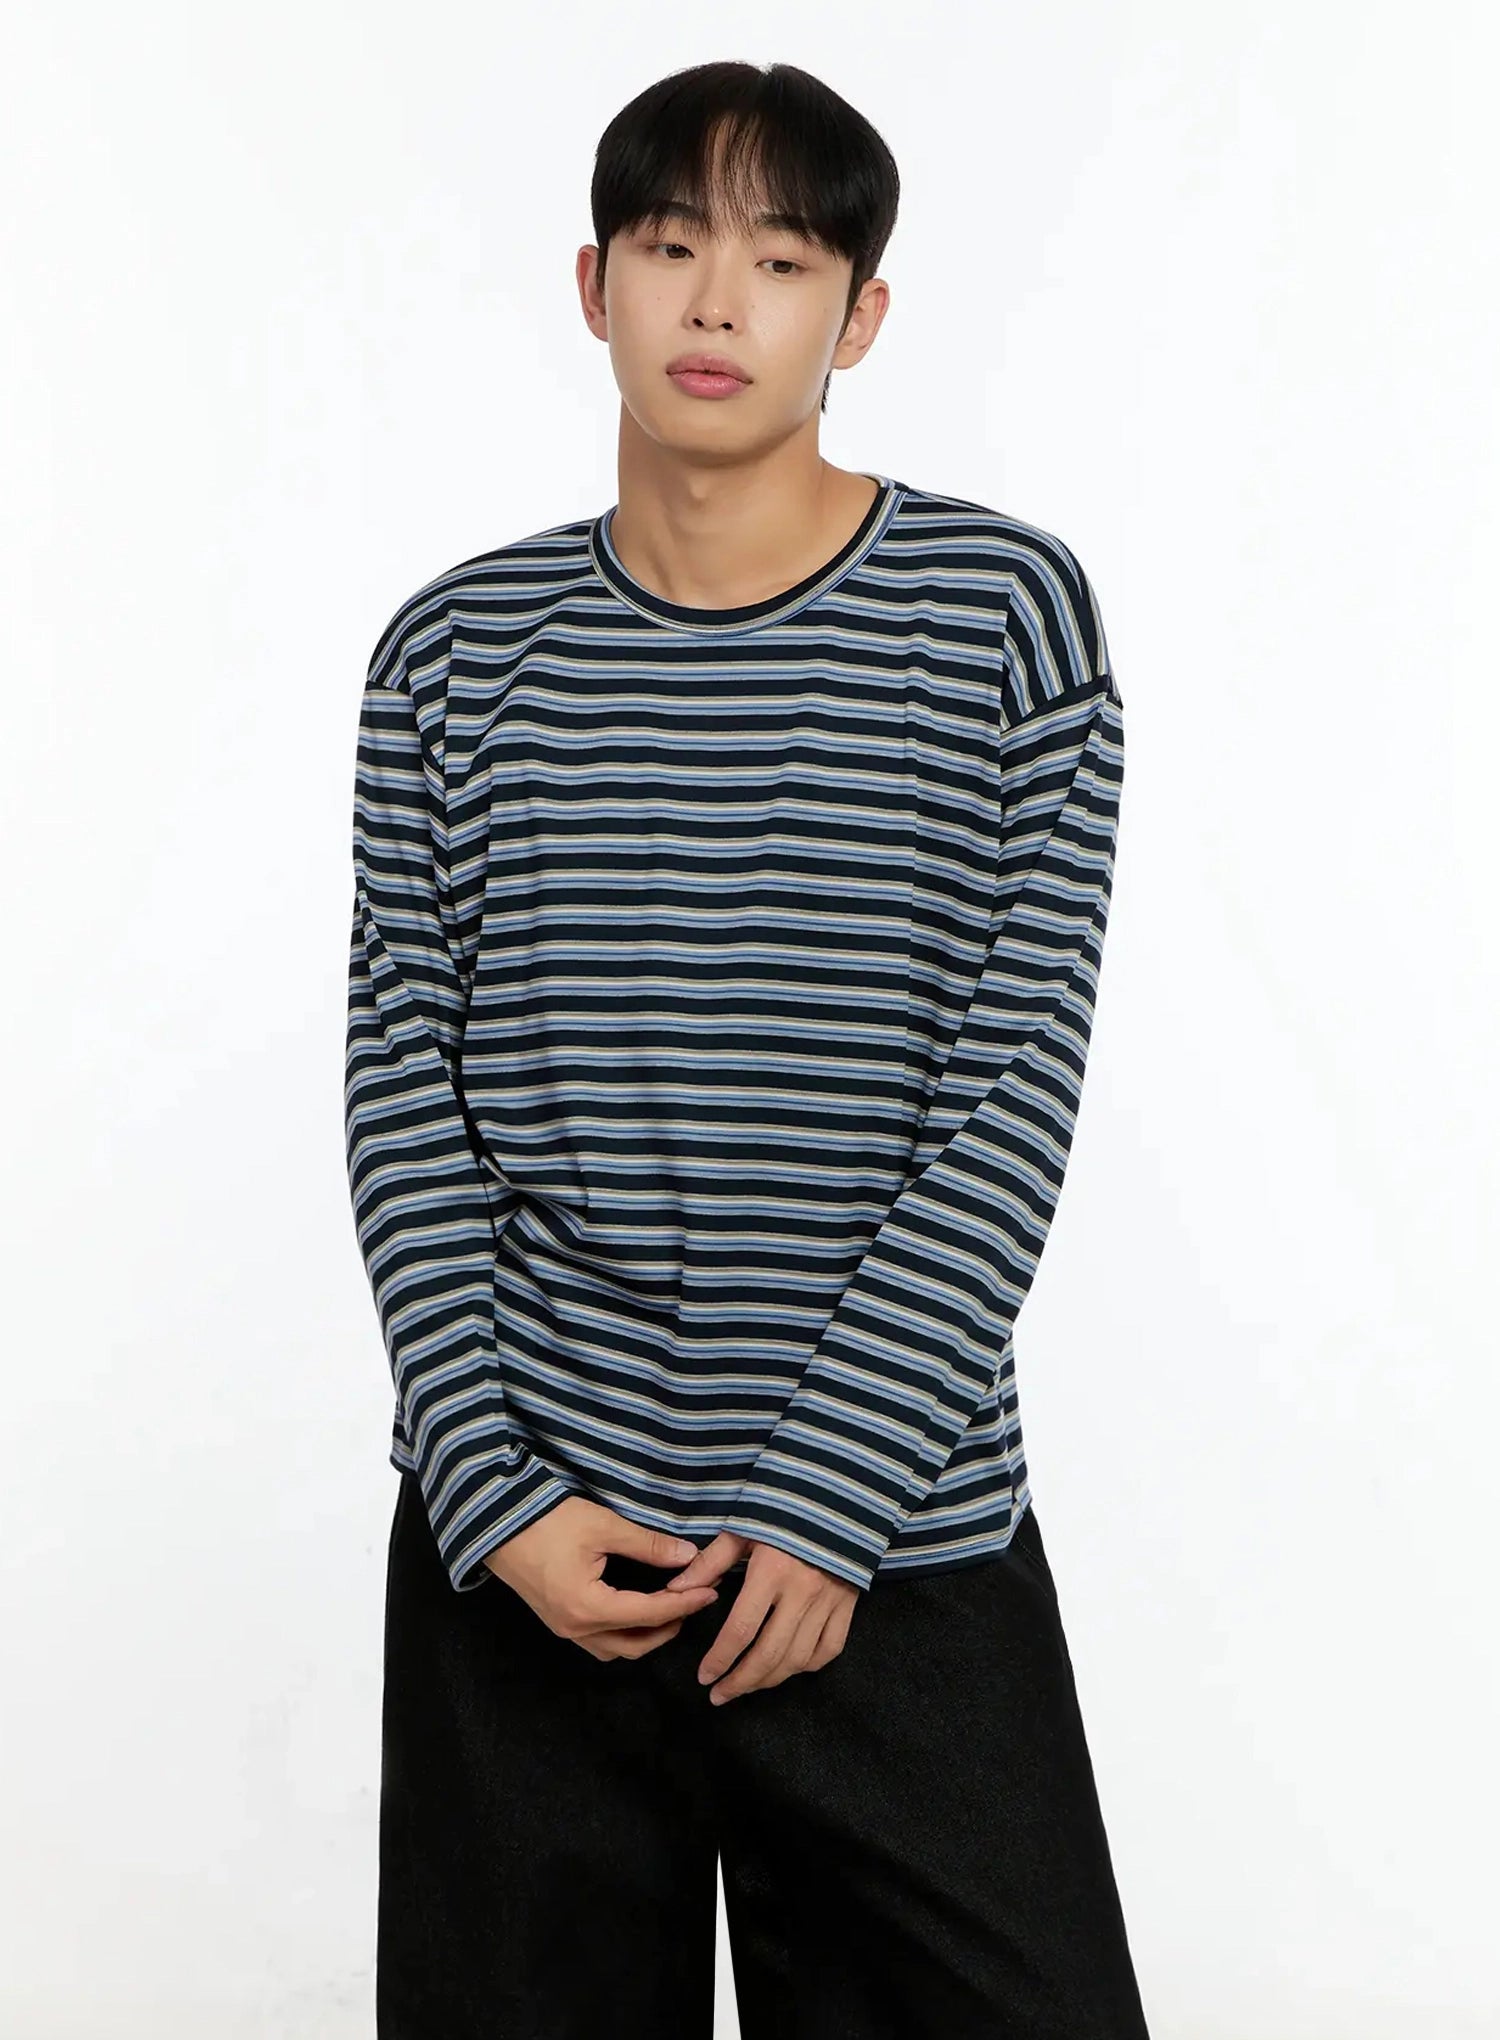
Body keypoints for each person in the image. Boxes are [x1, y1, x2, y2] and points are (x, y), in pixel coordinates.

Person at [345, 56, 1151, 2040]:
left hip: (892, 1539)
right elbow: (403, 1096)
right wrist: (489, 1492)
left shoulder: (1004, 621)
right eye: (669, 245)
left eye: (782, 260)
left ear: (858, 317)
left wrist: (830, 1498)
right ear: (593, 284)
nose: (717, 302)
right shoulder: (452, 656)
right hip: (536, 1549)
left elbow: (1009, 1095)